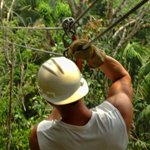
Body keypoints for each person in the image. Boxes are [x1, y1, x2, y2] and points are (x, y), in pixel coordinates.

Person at [29, 39, 133, 150]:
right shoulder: (118, 114)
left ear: (49, 100)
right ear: (82, 86)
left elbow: (52, 119)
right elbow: (121, 78)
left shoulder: (40, 138)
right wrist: (97, 56)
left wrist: (61, 93)